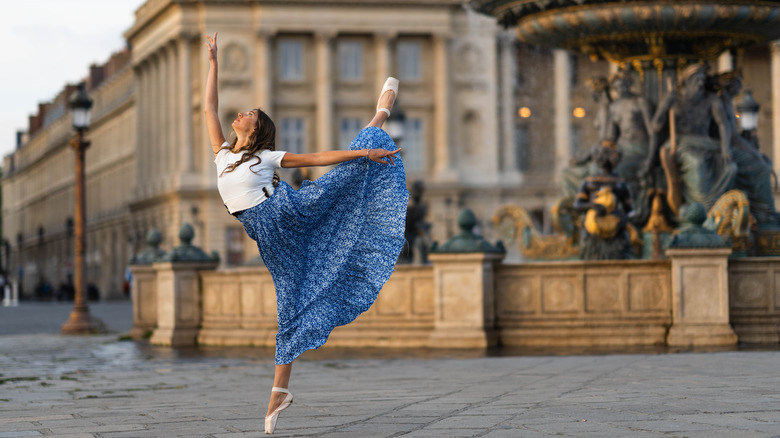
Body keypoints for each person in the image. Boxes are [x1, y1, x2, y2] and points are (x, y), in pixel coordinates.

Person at [203, 33, 408, 434]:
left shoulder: (266, 157)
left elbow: (316, 158)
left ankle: (379, 116)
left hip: (290, 214)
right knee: (290, 304)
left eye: (249, 113)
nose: (241, 113)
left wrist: (365, 153)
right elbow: (208, 107)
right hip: (273, 239)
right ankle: (280, 391)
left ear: (258, 128)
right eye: (245, 111)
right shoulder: (223, 155)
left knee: (345, 177)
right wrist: (214, 62)